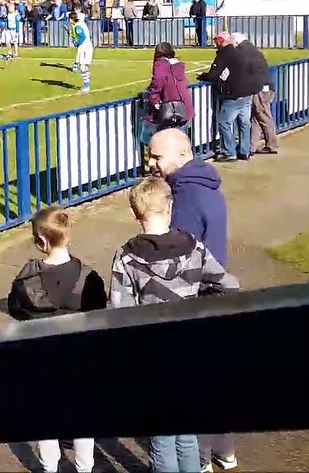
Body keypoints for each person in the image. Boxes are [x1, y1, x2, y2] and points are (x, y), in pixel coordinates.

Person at [109, 177, 240, 473]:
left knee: (163, 436)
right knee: (187, 432)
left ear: (135, 213)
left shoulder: (127, 258)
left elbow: (119, 314)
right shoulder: (194, 248)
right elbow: (229, 287)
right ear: (170, 206)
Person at [6, 206, 106, 473]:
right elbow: (100, 316)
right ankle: (85, 467)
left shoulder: (25, 281)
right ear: (68, 235)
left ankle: (49, 467)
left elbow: (15, 310)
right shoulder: (89, 279)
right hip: (79, 361)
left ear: (40, 242)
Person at [146, 127, 229, 267]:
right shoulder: (202, 181)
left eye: (157, 157)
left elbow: (176, 255)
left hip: (195, 283)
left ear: (182, 154)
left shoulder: (187, 197)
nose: (150, 163)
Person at [198, 32, 259, 162]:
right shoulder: (239, 52)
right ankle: (244, 150)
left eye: (216, 41)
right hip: (247, 93)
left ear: (220, 41)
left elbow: (214, 74)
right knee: (244, 123)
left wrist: (204, 76)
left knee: (224, 123)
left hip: (233, 94)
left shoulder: (223, 55)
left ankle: (229, 151)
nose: (214, 43)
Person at [138, 42, 193, 151]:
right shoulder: (178, 64)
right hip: (183, 107)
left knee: (159, 139)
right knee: (181, 141)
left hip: (170, 108)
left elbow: (157, 84)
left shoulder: (161, 65)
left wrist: (154, 101)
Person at [234, 33, 277, 155]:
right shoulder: (253, 51)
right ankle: (251, 147)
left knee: (263, 116)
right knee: (257, 118)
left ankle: (271, 144)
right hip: (264, 87)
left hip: (260, 89)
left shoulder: (243, 53)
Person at [68, 10, 93, 93]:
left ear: (71, 19)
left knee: (82, 67)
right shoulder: (81, 23)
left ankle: (86, 87)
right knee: (85, 66)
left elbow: (82, 37)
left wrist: (76, 43)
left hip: (84, 47)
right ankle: (86, 85)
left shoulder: (78, 26)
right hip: (87, 46)